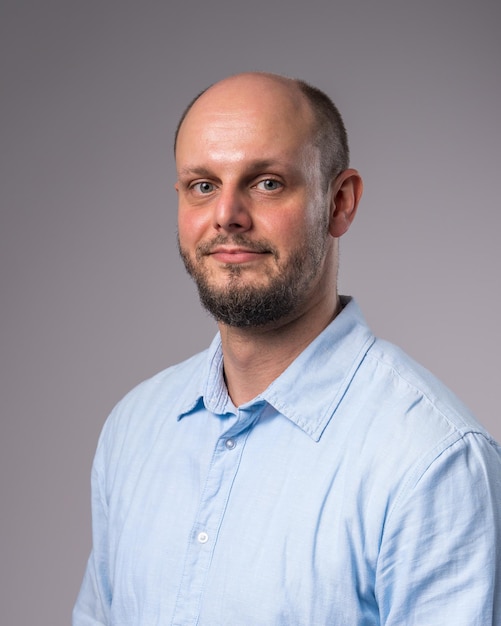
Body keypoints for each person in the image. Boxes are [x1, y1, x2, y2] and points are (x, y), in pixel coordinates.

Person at [73, 72, 501, 625]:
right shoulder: (133, 430)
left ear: (340, 203)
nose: (227, 214)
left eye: (267, 182)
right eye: (203, 185)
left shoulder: (433, 463)